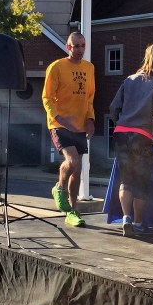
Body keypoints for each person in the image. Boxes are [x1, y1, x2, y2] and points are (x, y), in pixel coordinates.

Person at [109, 44, 153, 238]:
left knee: (126, 180)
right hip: (142, 137)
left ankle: (126, 218)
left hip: (121, 133)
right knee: (141, 183)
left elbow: (113, 107)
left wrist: (120, 123)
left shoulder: (129, 80)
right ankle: (138, 224)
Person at [42, 31, 95, 227]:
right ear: (68, 47)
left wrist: (90, 119)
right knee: (72, 161)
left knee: (78, 170)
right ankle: (59, 187)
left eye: (83, 45)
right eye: (76, 46)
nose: (80, 49)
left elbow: (89, 97)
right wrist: (60, 118)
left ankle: (72, 211)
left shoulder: (89, 68)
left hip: (80, 125)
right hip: (60, 123)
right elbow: (47, 97)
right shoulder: (56, 67)